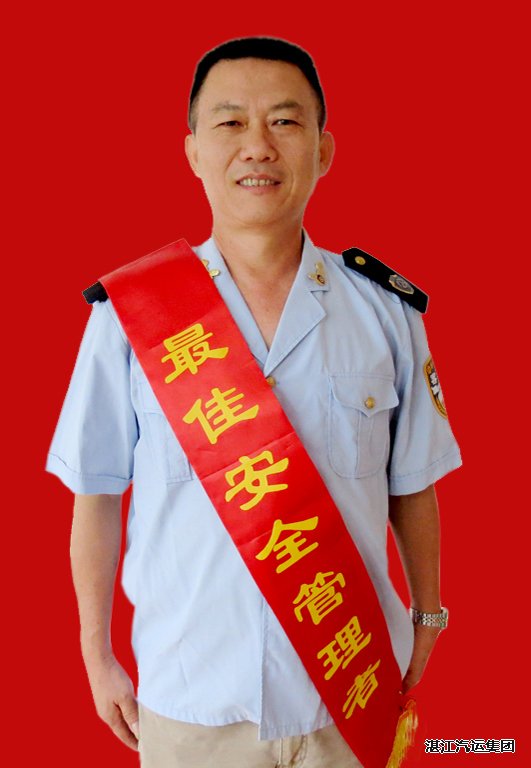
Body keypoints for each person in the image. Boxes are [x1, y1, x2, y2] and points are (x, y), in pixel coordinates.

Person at [46, 36, 461, 768]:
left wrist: (427, 613)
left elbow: (412, 484)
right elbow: (97, 493)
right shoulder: (131, 315)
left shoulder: (385, 312)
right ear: (193, 151)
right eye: (231, 122)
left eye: (285, 122)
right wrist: (95, 654)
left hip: (350, 686)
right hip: (191, 700)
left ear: (323, 150)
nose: (258, 147)